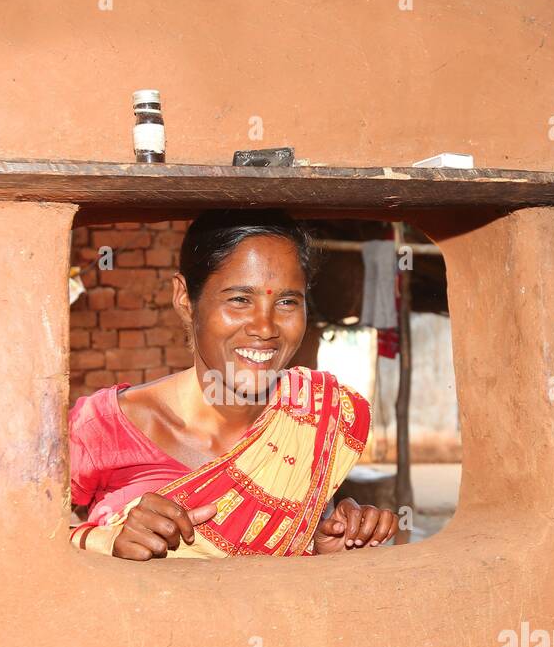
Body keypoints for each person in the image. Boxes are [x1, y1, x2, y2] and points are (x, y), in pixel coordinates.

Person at [68, 209, 400, 560]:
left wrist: (325, 546)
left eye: (287, 302)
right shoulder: (102, 427)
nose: (265, 327)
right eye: (239, 299)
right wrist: (104, 541)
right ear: (184, 299)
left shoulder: (310, 421)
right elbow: (22, 536)